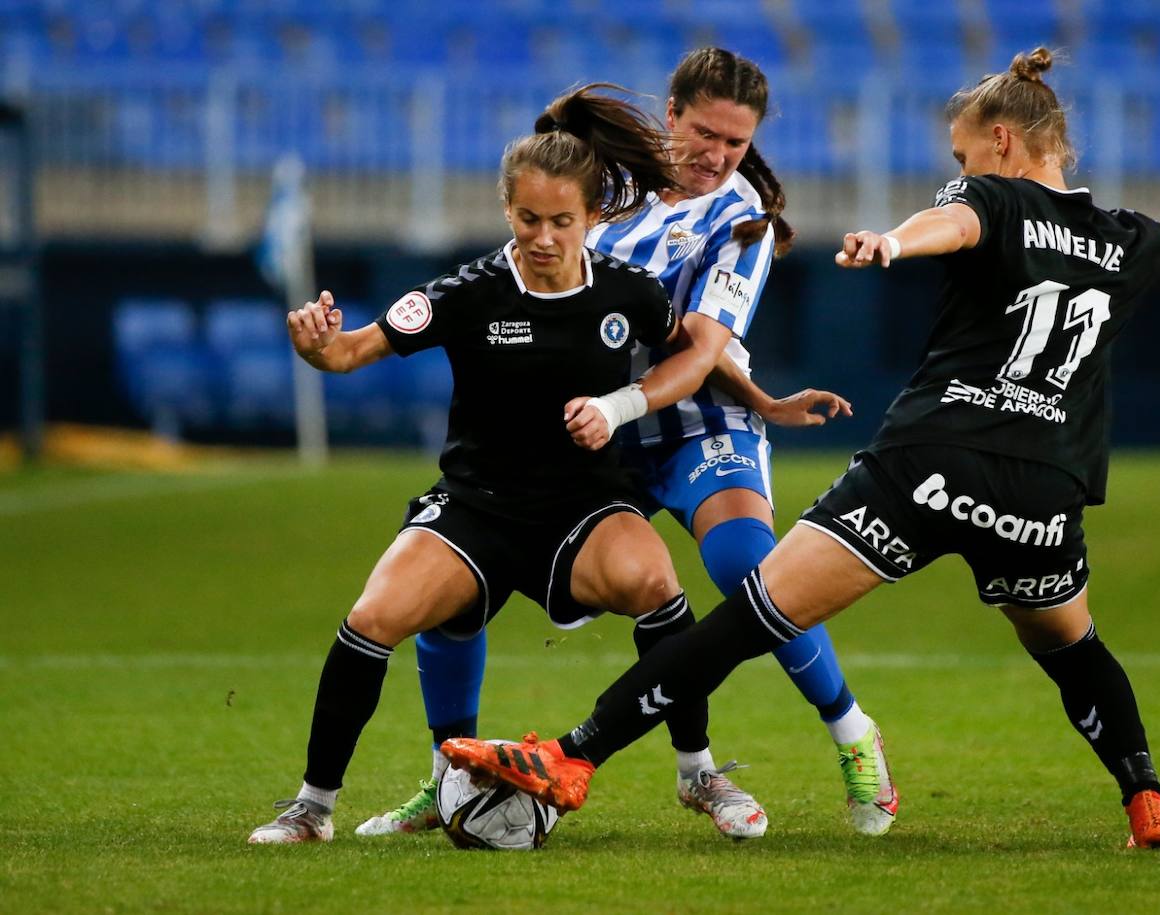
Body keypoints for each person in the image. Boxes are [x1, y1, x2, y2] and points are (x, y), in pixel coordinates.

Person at [441, 49, 1160, 850]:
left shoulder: (991, 198)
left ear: (1001, 144)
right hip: (1045, 487)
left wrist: (894, 243)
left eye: (962, 155)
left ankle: (572, 757)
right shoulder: (1126, 238)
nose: (960, 169)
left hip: (933, 462)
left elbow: (954, 222)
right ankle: (1147, 795)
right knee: (1070, 644)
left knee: (749, 615)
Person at [360, 47, 900, 841]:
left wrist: (730, 403)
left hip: (694, 421)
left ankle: (848, 733)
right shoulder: (611, 191)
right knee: (467, 574)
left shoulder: (743, 219)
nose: (718, 156)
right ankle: (449, 776)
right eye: (706, 134)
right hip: (598, 437)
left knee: (745, 562)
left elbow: (700, 349)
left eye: (737, 143)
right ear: (672, 114)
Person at [248, 83, 778, 844]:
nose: (544, 236)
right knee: (371, 619)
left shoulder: (630, 293)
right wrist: (316, 344)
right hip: (477, 505)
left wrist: (729, 399)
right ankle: (312, 806)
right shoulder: (467, 293)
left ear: (593, 216)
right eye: (528, 218)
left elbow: (693, 358)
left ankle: (698, 770)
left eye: (562, 220)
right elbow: (350, 349)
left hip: (584, 506)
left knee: (658, 583)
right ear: (508, 212)